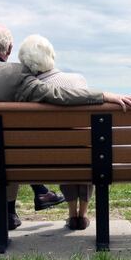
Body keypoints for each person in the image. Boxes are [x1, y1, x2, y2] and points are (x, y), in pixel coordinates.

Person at [0, 24, 131, 231]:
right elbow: (57, 95)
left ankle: (11, 211)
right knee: (5, 149)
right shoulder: (16, 73)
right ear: (9, 49)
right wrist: (103, 96)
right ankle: (34, 197)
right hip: (7, 161)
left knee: (1, 148)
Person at [18, 34, 91, 230]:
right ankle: (82, 214)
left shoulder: (26, 90)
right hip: (83, 158)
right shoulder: (77, 80)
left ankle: (70, 213)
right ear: (51, 55)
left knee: (63, 152)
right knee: (82, 150)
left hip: (45, 161)